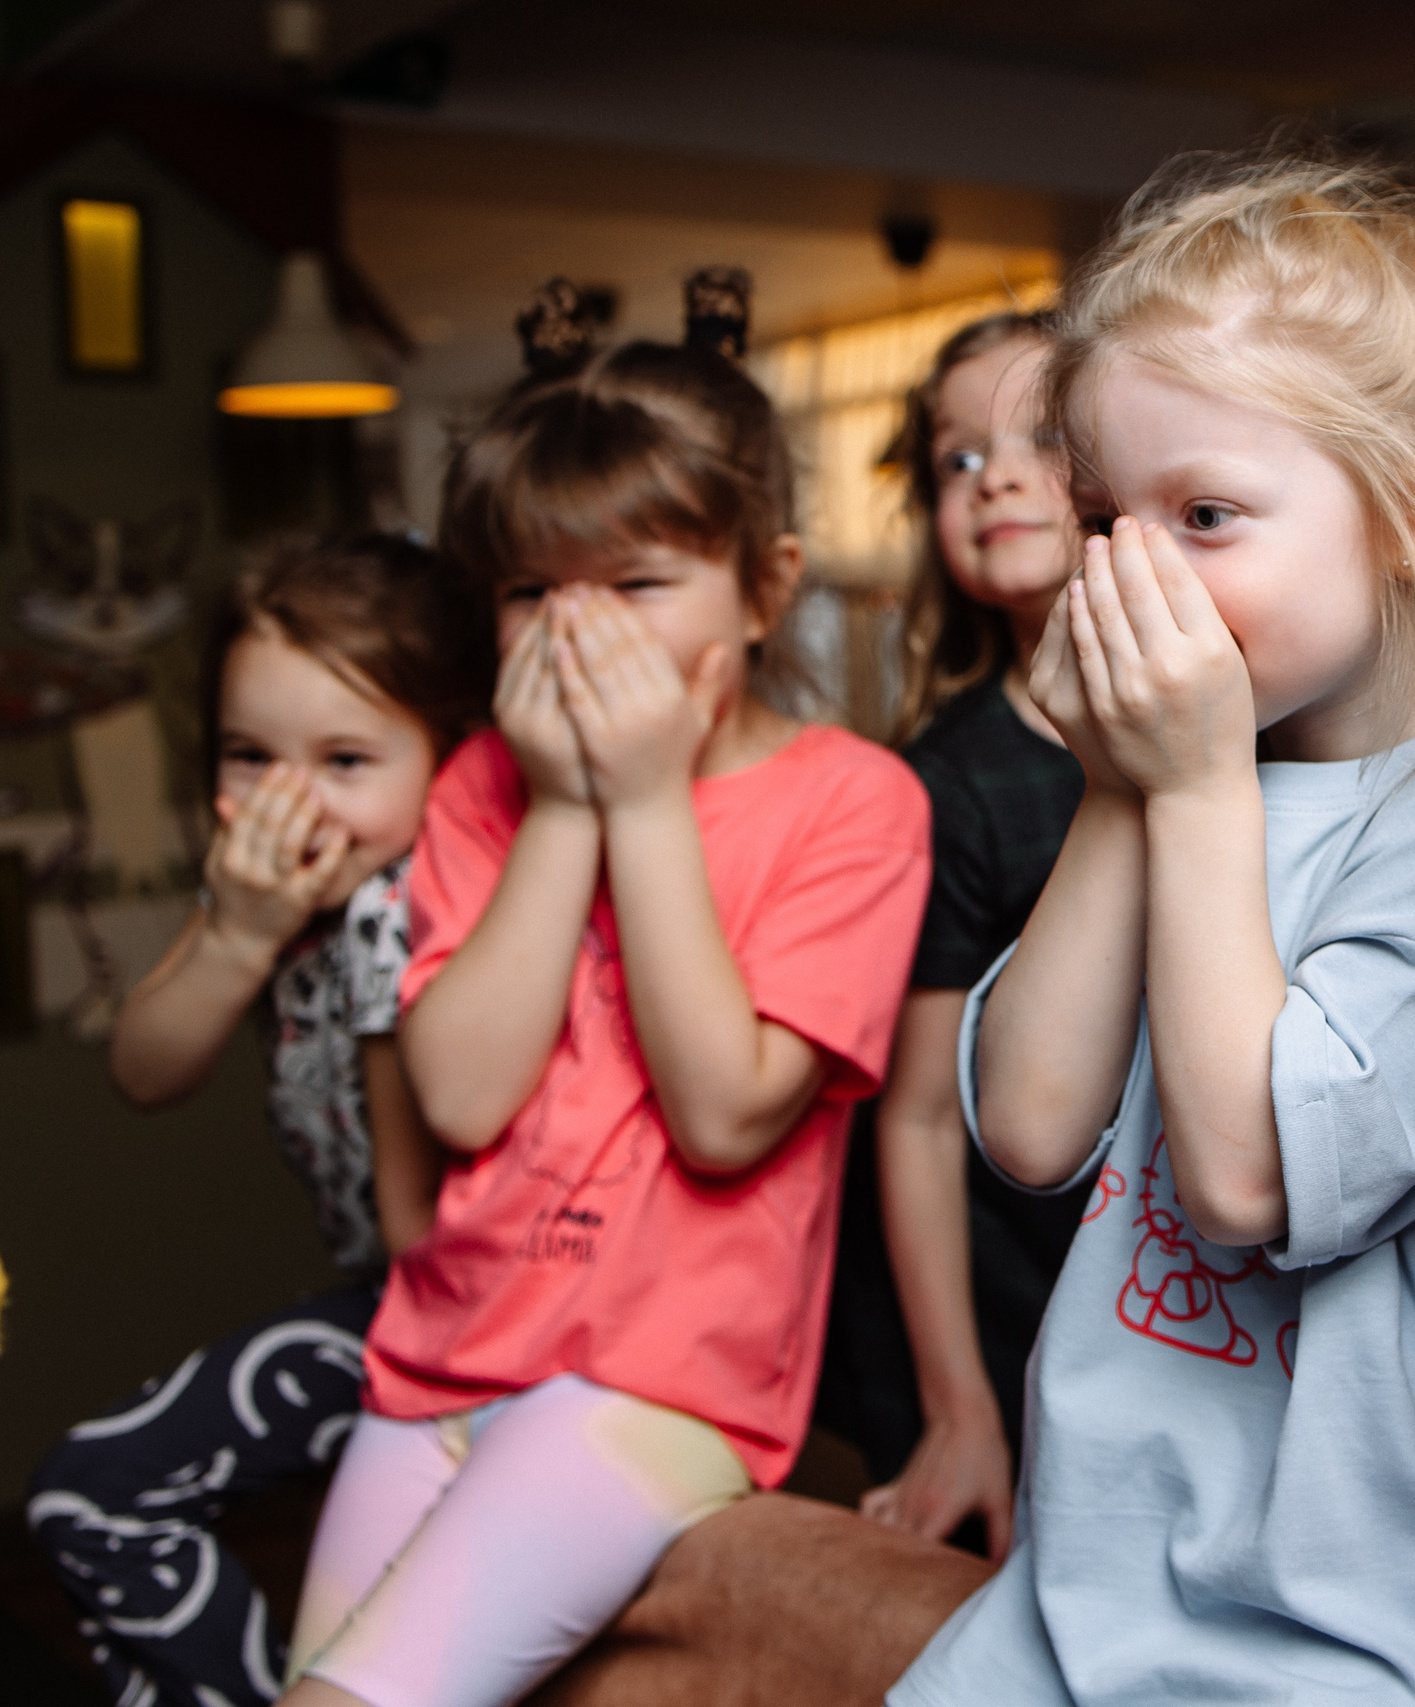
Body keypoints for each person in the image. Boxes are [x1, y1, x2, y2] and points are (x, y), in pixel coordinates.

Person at [892, 153, 1415, 1707]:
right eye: (1106, 519)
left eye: (1204, 513)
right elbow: (1021, 1119)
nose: (1135, 571)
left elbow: (1249, 1177)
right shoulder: (1169, 782)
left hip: (1364, 1617)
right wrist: (1120, 791)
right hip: (1086, 1583)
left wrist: (1196, 780)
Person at [274, 329, 932, 1707]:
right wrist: (567, 801)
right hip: (432, 1354)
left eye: (639, 581)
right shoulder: (481, 785)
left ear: (767, 588)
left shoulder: (852, 800)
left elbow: (724, 1110)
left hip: (657, 1384)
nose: (581, 632)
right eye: (532, 593)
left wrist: (640, 799)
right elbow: (461, 1094)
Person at [27, 534, 488, 1707]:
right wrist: (232, 933)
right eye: (249, 756)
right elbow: (146, 1067)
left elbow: (409, 1222)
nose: (290, 803)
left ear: (454, 754)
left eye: (343, 758)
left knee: (91, 1494)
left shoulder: (407, 904)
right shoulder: (272, 895)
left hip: (449, 1314)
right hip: (385, 1297)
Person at [818, 308, 1088, 1559]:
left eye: (1040, 435)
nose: (996, 479)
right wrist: (959, 1408)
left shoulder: (1255, 734)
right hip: (1002, 1306)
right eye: (957, 458)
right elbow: (917, 1115)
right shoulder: (942, 786)